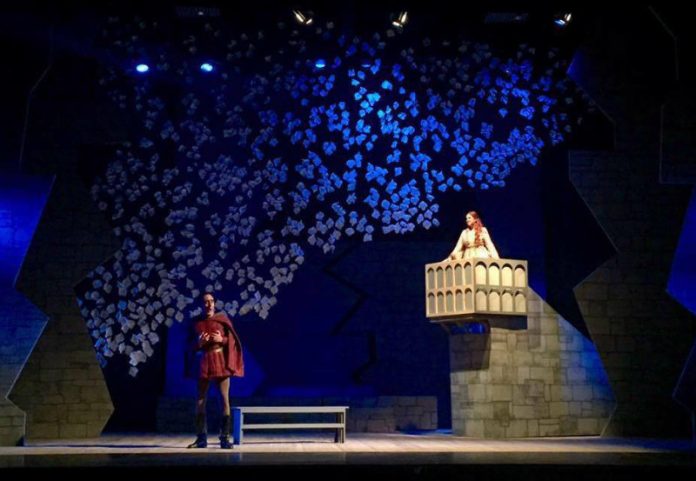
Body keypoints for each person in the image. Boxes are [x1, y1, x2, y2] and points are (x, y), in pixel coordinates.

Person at [186, 292, 244, 449]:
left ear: (215, 303)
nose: (209, 304)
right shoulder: (196, 323)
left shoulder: (222, 319)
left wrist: (222, 340)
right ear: (201, 304)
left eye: (211, 301)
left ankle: (224, 438)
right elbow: (189, 345)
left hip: (220, 361)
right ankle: (201, 438)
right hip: (204, 362)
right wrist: (198, 342)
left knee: (224, 399)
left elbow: (231, 340)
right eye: (206, 302)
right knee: (200, 400)